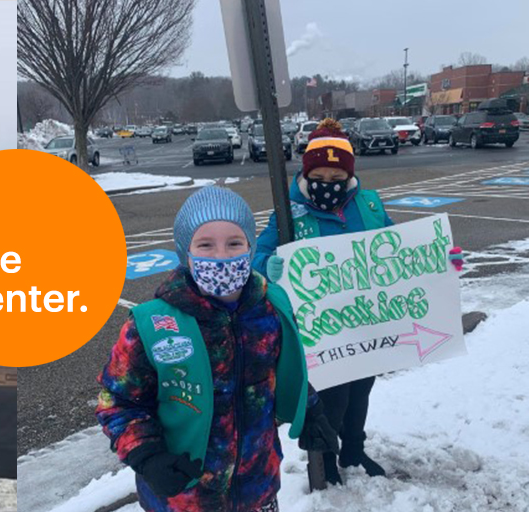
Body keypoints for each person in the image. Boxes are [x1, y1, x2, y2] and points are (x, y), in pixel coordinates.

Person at [96, 186, 336, 512]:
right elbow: (117, 401)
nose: (222, 256)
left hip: (258, 490)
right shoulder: (152, 324)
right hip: (183, 497)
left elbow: (282, 371)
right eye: (205, 245)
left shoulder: (270, 310)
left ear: (250, 248)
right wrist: (146, 454)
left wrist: (310, 410)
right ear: (186, 252)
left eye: (234, 243)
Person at [253, 118, 465, 485]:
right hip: (323, 332)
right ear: (307, 173)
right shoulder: (289, 212)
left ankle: (354, 447)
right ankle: (325, 462)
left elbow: (400, 249)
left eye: (337, 179)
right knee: (331, 400)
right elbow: (260, 255)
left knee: (361, 391)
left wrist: (440, 259)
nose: (329, 186)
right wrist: (266, 268)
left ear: (349, 177)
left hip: (368, 324)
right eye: (320, 176)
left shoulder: (367, 204)